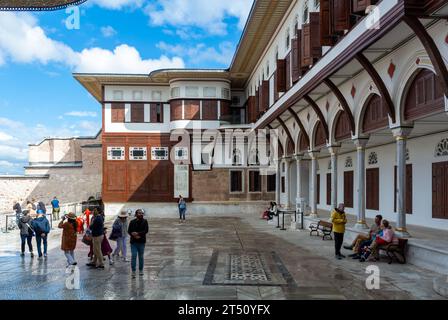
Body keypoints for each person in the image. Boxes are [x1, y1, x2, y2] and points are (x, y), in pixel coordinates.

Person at [128, 209, 149, 278]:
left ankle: (141, 270)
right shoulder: (132, 222)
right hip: (134, 242)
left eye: (142, 213)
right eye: (139, 213)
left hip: (141, 241)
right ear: (136, 214)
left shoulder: (145, 221)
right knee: (134, 255)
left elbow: (146, 230)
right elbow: (129, 231)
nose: (141, 214)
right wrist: (133, 235)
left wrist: (138, 233)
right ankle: (133, 270)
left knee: (141, 256)